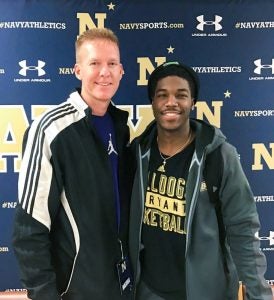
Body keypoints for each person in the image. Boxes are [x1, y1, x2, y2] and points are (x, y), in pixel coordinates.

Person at [129, 61, 273, 300]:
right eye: (162, 95)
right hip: (149, 292)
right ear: (152, 102)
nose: (171, 102)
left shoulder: (219, 155)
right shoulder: (137, 153)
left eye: (181, 95)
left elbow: (243, 230)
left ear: (193, 102)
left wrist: (259, 294)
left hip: (207, 293)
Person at [12, 28, 133, 300]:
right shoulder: (51, 130)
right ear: (78, 71)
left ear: (122, 70)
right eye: (95, 63)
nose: (105, 72)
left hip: (119, 287)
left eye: (112, 63)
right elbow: (29, 229)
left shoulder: (121, 127)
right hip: (75, 291)